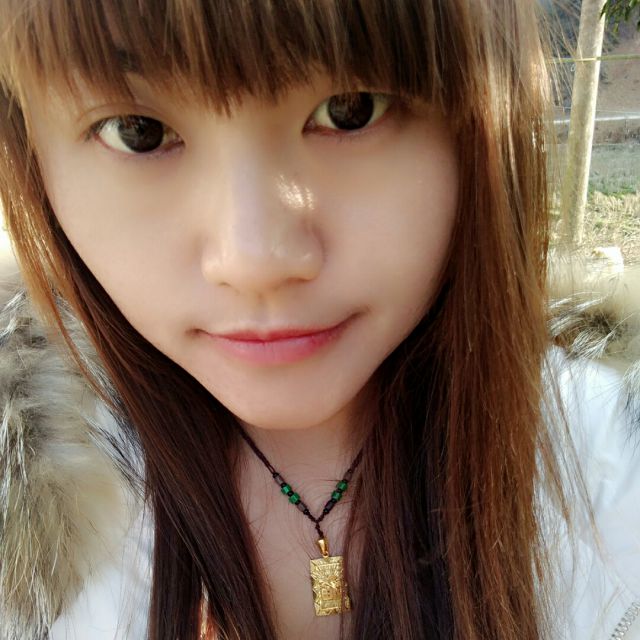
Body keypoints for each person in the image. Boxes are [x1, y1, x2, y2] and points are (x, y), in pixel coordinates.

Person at [0, 1, 638, 638]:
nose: (255, 261)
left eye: (350, 110)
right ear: (30, 156)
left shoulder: (611, 463)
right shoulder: (28, 512)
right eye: (138, 131)